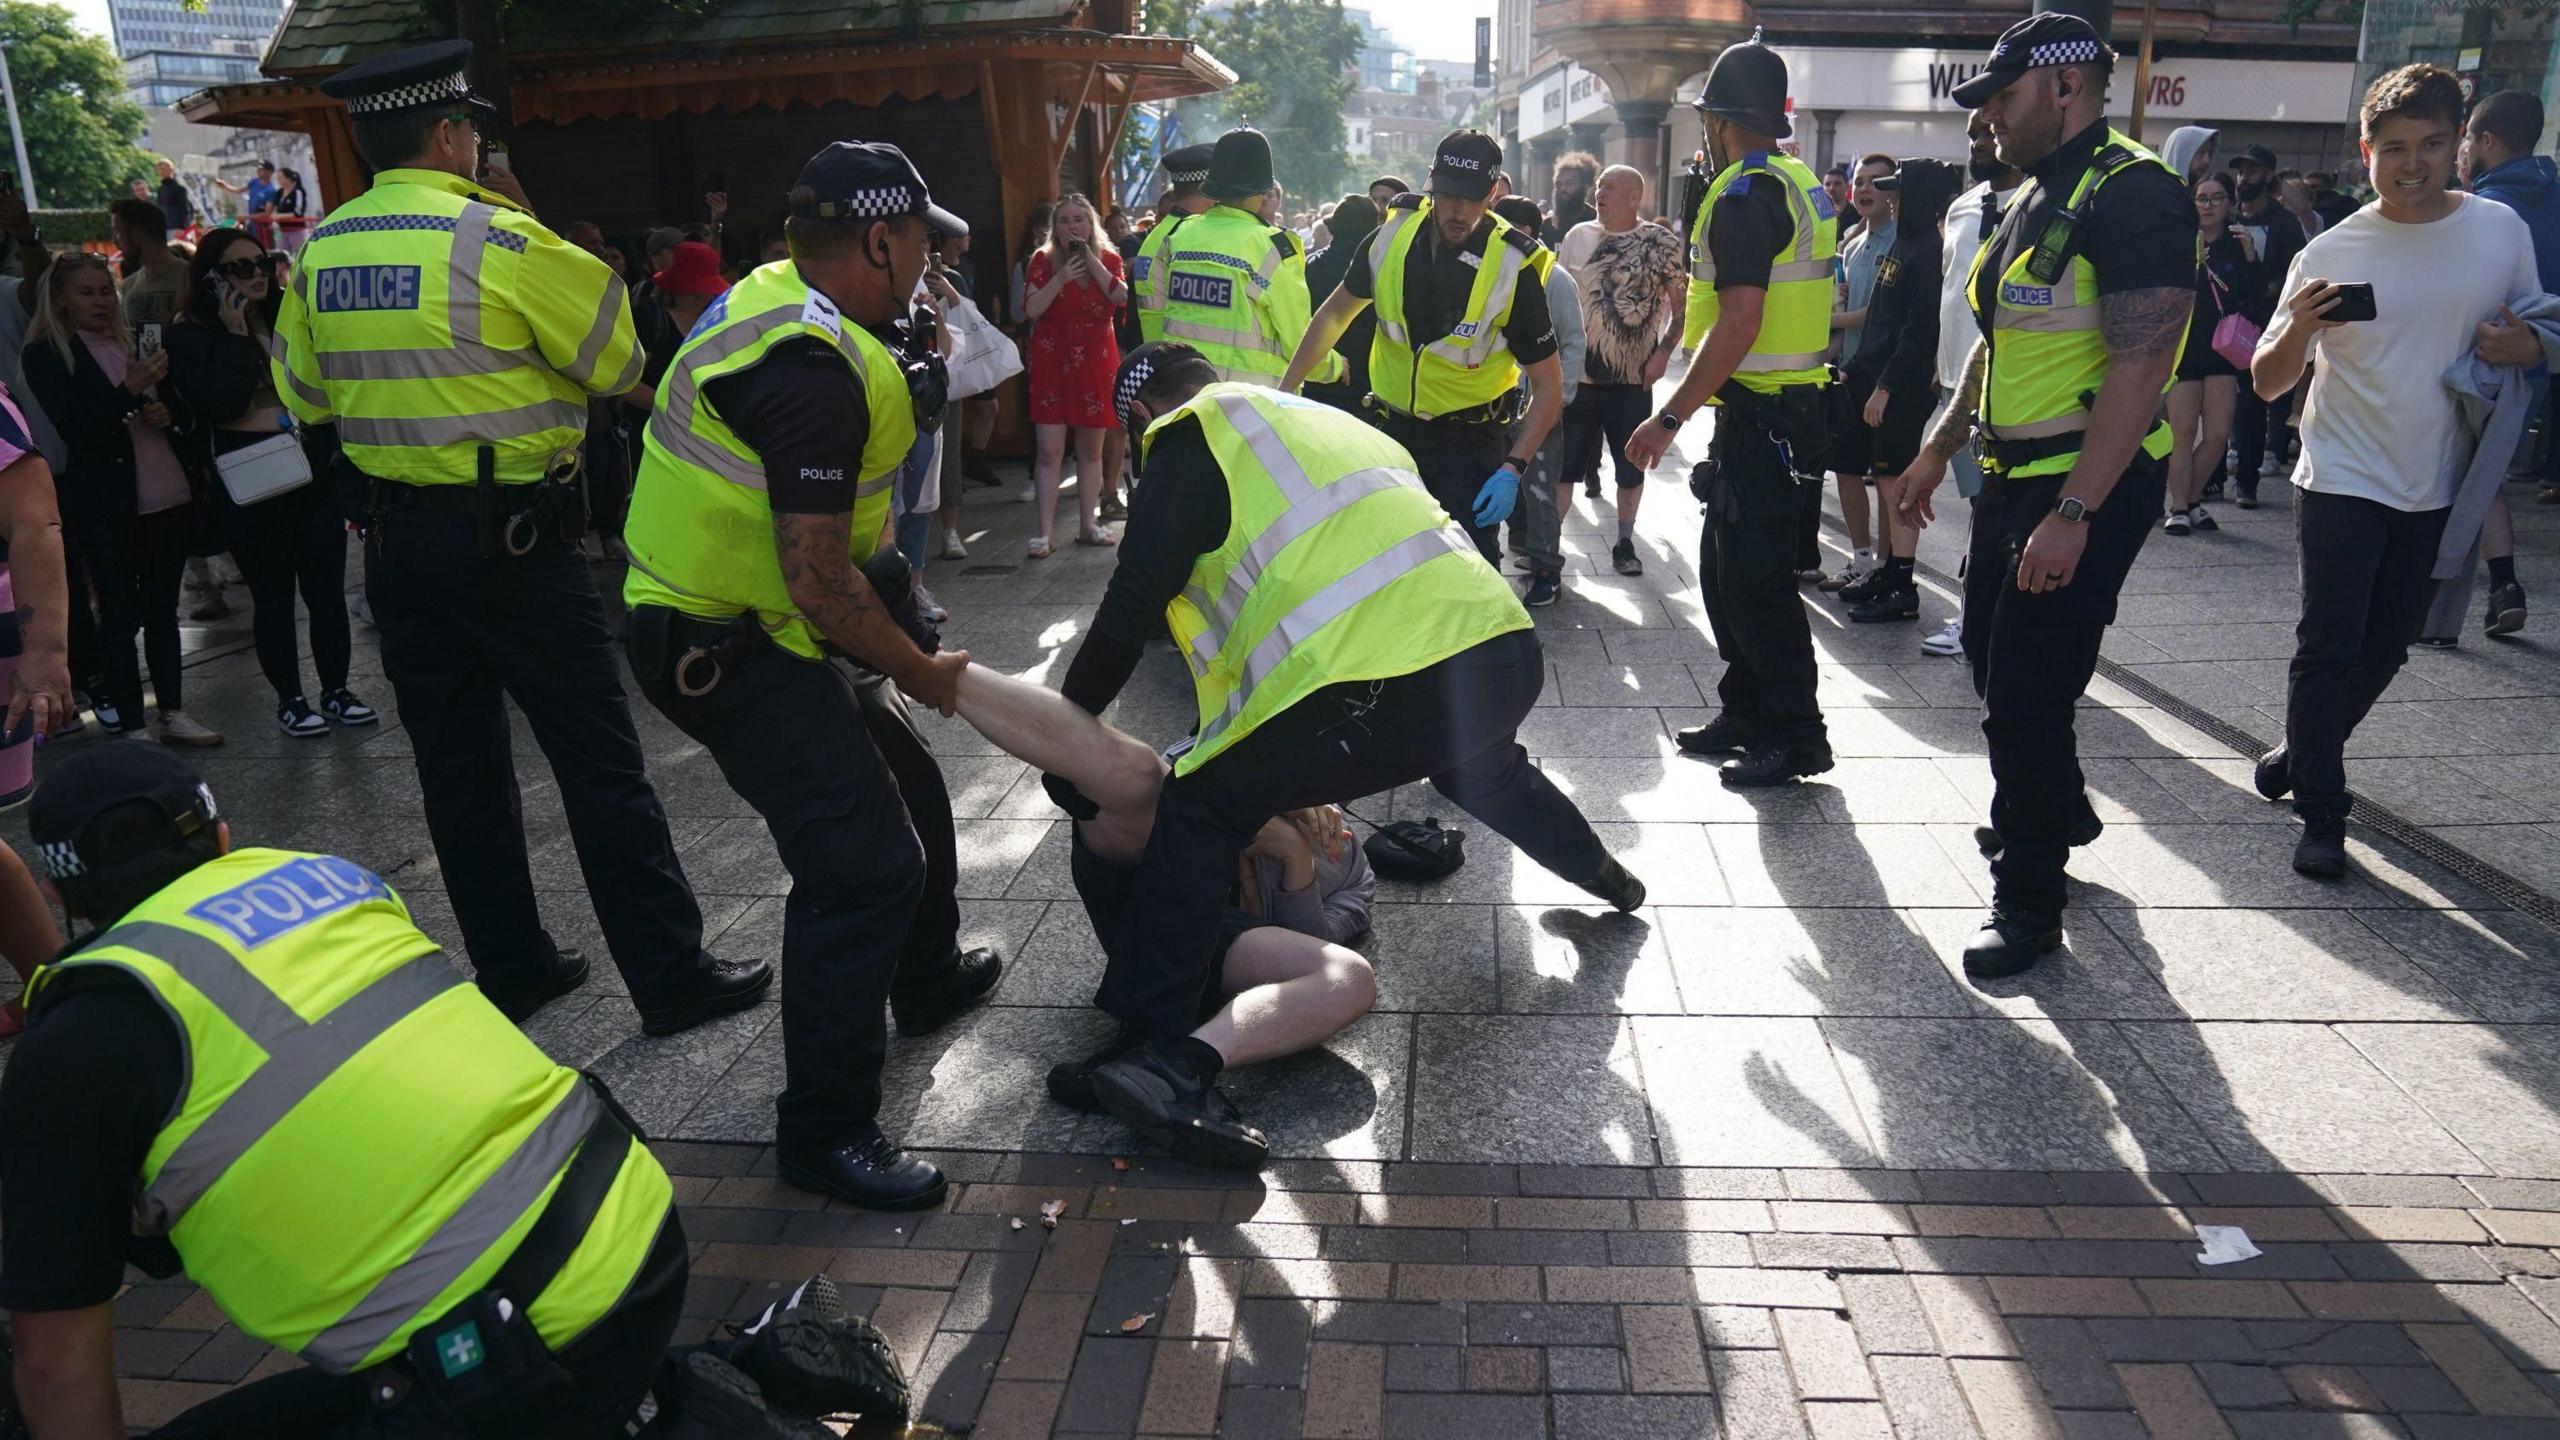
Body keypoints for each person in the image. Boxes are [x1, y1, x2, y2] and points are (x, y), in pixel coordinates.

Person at [273, 40, 770, 1032]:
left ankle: (512, 967)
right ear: (452, 134)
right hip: (515, 546)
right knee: (597, 760)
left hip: (399, 546)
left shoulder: (322, 252)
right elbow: (615, 355)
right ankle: (668, 976)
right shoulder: (496, 237)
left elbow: (302, 392)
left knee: (457, 770)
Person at [1048, 343, 1642, 1167]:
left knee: (1202, 802)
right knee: (1483, 768)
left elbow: (1128, 607)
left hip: (1382, 681)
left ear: (1145, 415)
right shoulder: (1319, 422)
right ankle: (1608, 877)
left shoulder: (1190, 438)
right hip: (1499, 651)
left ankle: (1155, 1055)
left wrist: (1067, 738)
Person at [0, 744, 700, 1439]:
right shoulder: (331, 880)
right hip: (637, 1228)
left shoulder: (76, 1038)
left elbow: (53, 1362)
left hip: (521, 1354)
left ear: (58, 891)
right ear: (220, 834)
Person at [619, 140, 1004, 1210]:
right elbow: (821, 586)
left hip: (755, 619)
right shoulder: (811, 373)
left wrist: (901, 607)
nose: (930, 264)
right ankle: (825, 1132)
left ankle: (922, 980)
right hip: (717, 646)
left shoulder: (788, 300)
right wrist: (921, 666)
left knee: (913, 786)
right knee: (862, 863)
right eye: (922, 242)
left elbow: (837, 556)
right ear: (878, 238)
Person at [1892, 12, 2196, 977]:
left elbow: (2141, 368)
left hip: (2083, 483)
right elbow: (2001, 340)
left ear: (2063, 88)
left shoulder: (2137, 195)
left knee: (2023, 695)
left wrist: (2074, 513)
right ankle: (2055, 807)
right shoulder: (2032, 196)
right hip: (2013, 477)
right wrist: (1938, 449)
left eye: (2003, 97)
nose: (1988, 120)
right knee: (1990, 658)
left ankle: (2030, 899)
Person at [2250, 64, 2546, 878]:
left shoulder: (2499, 230)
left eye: (2430, 145)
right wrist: (2296, 333)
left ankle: (2299, 755)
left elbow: (2533, 327)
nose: (2410, 163)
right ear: (2364, 150)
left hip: (2440, 479)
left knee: (2388, 648)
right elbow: (2269, 382)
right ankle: (2322, 812)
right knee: (2328, 645)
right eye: (2392, 148)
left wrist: (2527, 346)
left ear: (2460, 147)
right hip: (2340, 471)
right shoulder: (2329, 249)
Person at [936, 666, 1378, 1116]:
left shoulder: (1352, 872)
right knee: (1144, 773)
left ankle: (1171, 1067)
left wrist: (1295, 859)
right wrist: (1247, 801)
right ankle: (932, 669)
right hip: (1142, 893)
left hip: (1226, 942)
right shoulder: (1233, 757)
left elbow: (1311, 950)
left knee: (1349, 980)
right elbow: (1175, 768)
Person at [1623, 39, 1839, 788]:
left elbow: (1740, 323)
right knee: (1726, 573)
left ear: (1716, 120)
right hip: (1770, 413)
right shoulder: (1793, 178)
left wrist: (1669, 418)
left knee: (1757, 585)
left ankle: (1795, 734)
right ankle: (1745, 710)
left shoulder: (1749, 196)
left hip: (1770, 417)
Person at [1280, 129, 1563, 567]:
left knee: (1467, 580)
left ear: (1493, 192)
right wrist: (1287, 391)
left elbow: (1548, 386)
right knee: (1385, 567)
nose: (1459, 211)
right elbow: (1334, 315)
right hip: (1393, 435)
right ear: (1431, 183)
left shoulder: (1512, 264)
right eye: (1449, 195)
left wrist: (1513, 468)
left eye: (1472, 198)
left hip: (1469, 447)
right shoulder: (1390, 238)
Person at [163, 227, 377, 738]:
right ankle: (291, 699)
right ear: (211, 277)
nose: (256, 275)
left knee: (325, 588)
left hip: (310, 464)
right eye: (238, 268)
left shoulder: (287, 316)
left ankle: (336, 690)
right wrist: (235, 336)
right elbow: (221, 404)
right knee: (273, 593)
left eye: (261, 263)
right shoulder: (189, 335)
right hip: (251, 470)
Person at [22, 253, 221, 746]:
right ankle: (132, 723)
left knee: (162, 613)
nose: (99, 301)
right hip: (107, 503)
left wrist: (165, 413)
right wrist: (128, 389)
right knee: (117, 614)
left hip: (168, 493)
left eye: (105, 290)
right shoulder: (48, 353)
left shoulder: (136, 341)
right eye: (86, 292)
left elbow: (180, 410)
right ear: (61, 299)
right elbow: (78, 430)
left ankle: (172, 711)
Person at [2444, 86, 2556, 639]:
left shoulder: (2483, 212)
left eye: (2465, 137)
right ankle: (2500, 585)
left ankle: (2450, 601)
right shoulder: (2554, 196)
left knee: (2464, 473)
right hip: (2534, 367)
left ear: (2486, 140)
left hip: (2476, 358)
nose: (2461, 149)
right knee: (2483, 472)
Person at [1918, 110, 2028, 660]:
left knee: (1994, 507)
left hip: (2008, 388)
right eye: (1972, 134)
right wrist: (1939, 367)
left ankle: (1978, 617)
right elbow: (1950, 293)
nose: (1980, 142)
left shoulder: (2036, 202)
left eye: (1989, 130)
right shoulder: (1962, 207)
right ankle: (1980, 615)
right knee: (1977, 505)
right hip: (1956, 385)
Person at [1554, 164, 1685, 589]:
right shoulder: (1576, 238)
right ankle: (1550, 547)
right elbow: (1557, 302)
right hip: (1579, 378)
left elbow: (1682, 309)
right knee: (1565, 468)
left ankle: (1624, 540)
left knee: (1632, 465)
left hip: (1632, 381)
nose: (1599, 193)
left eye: (1609, 187)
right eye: (1598, 186)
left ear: (1634, 196)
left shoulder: (1661, 242)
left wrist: (1663, 353)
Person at [1841, 156, 1959, 624]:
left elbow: (1917, 332)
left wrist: (1885, 387)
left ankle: (1903, 584)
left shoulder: (1929, 251)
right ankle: (1890, 573)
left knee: (1896, 482)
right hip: (1874, 377)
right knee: (1885, 477)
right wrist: (1857, 369)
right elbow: (1882, 320)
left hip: (1902, 388)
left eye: (1899, 190)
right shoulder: (1904, 244)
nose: (1892, 196)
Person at [1140, 128, 1336, 397]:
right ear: (1263, 190)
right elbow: (1298, 339)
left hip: (1185, 399)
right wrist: (1333, 367)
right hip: (1253, 407)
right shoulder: (1274, 248)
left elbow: (1155, 318)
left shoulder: (1178, 236)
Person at [1022, 193, 1125, 557]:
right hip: (1052, 360)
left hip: (1095, 361)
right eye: (1063, 221)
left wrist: (1091, 261)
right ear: (1055, 228)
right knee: (1049, 450)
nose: (1071, 226)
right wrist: (1063, 275)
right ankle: (1045, 534)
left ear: (1090, 224)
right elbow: (1032, 308)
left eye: (1078, 219)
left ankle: (1088, 524)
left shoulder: (1109, 259)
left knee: (1091, 450)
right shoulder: (1041, 261)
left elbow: (1120, 296)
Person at [1492, 195, 1584, 604]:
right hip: (1488, 407)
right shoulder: (1485, 271)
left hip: (1537, 408)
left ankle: (1547, 569)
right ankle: (1502, 556)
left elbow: (1573, 342)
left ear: (1531, 232)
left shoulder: (1555, 279)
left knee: (1541, 491)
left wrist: (1558, 399)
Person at [1821, 152, 1897, 593]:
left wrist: (1831, 319)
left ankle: (1890, 565)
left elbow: (1879, 316)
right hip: (1848, 376)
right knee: (1846, 470)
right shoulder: (1850, 245)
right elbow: (1846, 309)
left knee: (1887, 476)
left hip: (1885, 379)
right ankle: (1862, 560)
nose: (1865, 189)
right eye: (1860, 182)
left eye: (1876, 182)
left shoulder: (1903, 244)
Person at [2165, 174, 2256, 530]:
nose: (2208, 205)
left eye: (2217, 198)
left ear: (2228, 204)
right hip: (2184, 347)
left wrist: (2250, 257)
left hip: (2222, 350)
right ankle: (2179, 508)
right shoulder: (2179, 241)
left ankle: (2192, 499)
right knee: (2182, 434)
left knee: (2218, 435)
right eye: (2202, 199)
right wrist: (2192, 263)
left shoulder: (2237, 242)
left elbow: (2252, 294)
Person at [2230, 141, 2306, 486]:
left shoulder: (2284, 222)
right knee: (2234, 390)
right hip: (2230, 319)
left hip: (2269, 318)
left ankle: (2272, 449)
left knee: (2270, 388)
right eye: (2241, 170)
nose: (2244, 177)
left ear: (2268, 175)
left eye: (2252, 170)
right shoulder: (2229, 215)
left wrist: (2267, 289)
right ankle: (2236, 447)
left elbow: (2293, 271)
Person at [1301, 192, 1381, 417]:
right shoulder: (1381, 273)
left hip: (1313, 384)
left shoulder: (1308, 267)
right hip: (1365, 390)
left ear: (1333, 228)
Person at [1130, 143, 1217, 343]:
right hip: (1183, 361)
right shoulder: (1191, 237)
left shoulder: (1155, 235)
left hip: (1159, 358)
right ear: (1209, 188)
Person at [1546, 150, 1599, 245]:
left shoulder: (1596, 221)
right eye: (1559, 184)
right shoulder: (1547, 225)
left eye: (1569, 184)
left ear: (1585, 186)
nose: (1563, 189)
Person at [271, 167, 313, 255]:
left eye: (280, 177)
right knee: (282, 256)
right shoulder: (279, 192)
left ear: (288, 178)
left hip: (297, 229)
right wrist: (274, 215)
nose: (278, 180)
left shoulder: (297, 192)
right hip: (283, 230)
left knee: (300, 254)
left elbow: (298, 212)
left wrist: (279, 217)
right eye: (277, 178)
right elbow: (274, 207)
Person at [152, 159, 194, 237]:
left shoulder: (179, 189)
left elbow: (185, 209)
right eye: (159, 169)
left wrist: (182, 227)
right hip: (164, 228)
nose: (161, 171)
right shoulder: (160, 190)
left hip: (176, 229)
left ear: (171, 169)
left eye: (163, 169)